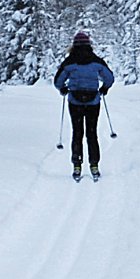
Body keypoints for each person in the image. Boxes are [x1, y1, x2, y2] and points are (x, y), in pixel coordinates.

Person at [53, 31, 114, 181]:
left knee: (77, 132)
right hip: (93, 101)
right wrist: (104, 88)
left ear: (74, 45)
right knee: (92, 133)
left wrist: (63, 89)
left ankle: (77, 165)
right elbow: (109, 77)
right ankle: (94, 164)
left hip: (75, 101)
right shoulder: (96, 61)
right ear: (89, 44)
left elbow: (58, 81)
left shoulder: (69, 62)